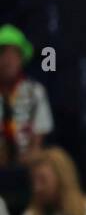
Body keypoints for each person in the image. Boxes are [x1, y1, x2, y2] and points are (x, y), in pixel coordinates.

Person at [0, 24, 53, 167]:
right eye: (3, 53)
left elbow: (37, 143)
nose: (8, 60)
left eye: (14, 53)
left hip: (26, 167)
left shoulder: (36, 92)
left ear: (21, 58)